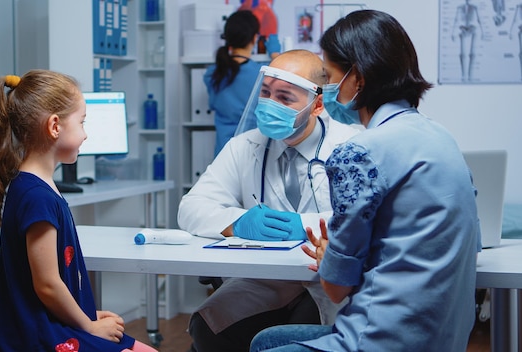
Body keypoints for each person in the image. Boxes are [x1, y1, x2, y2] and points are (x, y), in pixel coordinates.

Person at [250, 10, 480, 352]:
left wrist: (331, 257)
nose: (326, 90)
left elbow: (336, 288)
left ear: (356, 77)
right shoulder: (440, 136)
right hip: (444, 337)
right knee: (266, 340)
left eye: (329, 76)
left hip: (380, 340)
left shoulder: (359, 152)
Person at [178, 49, 360, 352]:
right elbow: (191, 207)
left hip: (328, 283)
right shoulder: (244, 146)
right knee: (207, 327)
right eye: (265, 94)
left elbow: (366, 218)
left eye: (285, 98)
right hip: (267, 280)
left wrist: (303, 226)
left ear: (317, 104)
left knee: (303, 330)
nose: (270, 105)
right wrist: (237, 223)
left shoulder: (350, 147)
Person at [0, 70, 157, 352]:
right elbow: (48, 285)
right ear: (54, 126)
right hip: (42, 336)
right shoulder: (36, 196)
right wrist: (88, 326)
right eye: (82, 122)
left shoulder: (38, 187)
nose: (86, 134)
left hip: (58, 322)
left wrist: (87, 314)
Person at [205, 10, 281, 156]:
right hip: (252, 152)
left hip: (222, 154)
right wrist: (275, 55)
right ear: (254, 38)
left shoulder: (212, 74)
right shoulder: (262, 73)